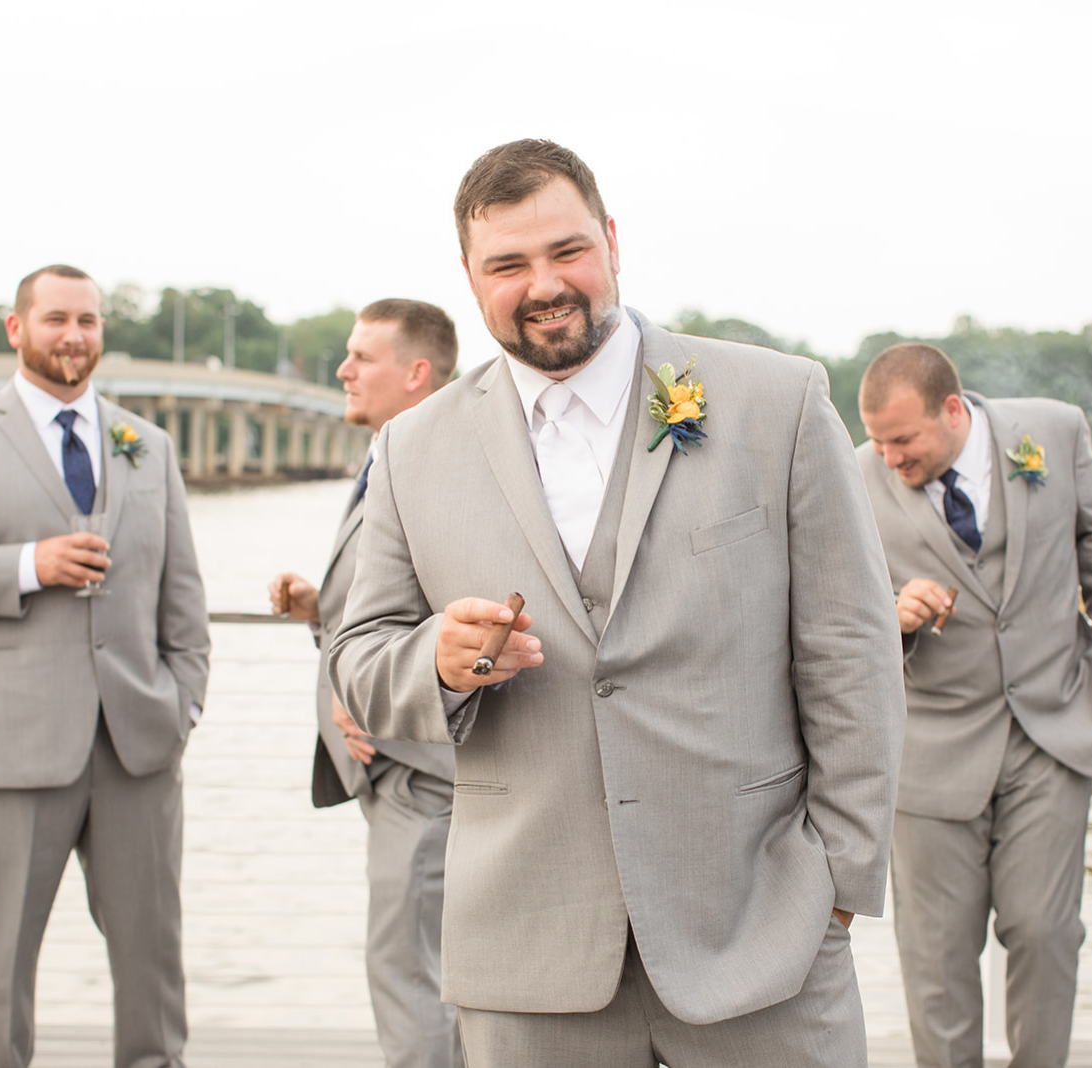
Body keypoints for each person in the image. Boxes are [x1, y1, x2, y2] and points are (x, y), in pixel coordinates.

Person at [328, 139, 905, 1068]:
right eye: (508, 264)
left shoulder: (777, 401)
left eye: (567, 251)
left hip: (761, 935)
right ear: (471, 280)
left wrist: (838, 879)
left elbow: (851, 650)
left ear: (613, 242)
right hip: (529, 952)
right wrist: (434, 659)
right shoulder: (411, 448)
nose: (544, 283)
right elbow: (357, 659)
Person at [0, 264, 210, 1068]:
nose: (74, 336)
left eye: (89, 322)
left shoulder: (149, 444)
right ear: (16, 328)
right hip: (8, 749)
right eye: (57, 319)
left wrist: (182, 706)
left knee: (153, 962)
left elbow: (184, 599)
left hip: (137, 745)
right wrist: (29, 564)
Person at [855, 343, 1092, 1068]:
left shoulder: (1055, 430)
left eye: (903, 439)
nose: (889, 458)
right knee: (936, 955)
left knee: (1047, 932)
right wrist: (895, 614)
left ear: (954, 409)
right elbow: (840, 611)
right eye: (879, 441)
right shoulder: (857, 478)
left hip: (1054, 728)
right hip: (933, 745)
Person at [267, 298, 462, 1068]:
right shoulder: (388, 455)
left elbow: (469, 613)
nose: (342, 370)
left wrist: (378, 711)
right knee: (418, 971)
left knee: (413, 977)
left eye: (360, 357)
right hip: (394, 774)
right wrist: (328, 612)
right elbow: (396, 612)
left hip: (421, 772)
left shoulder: (439, 467)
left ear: (416, 374)